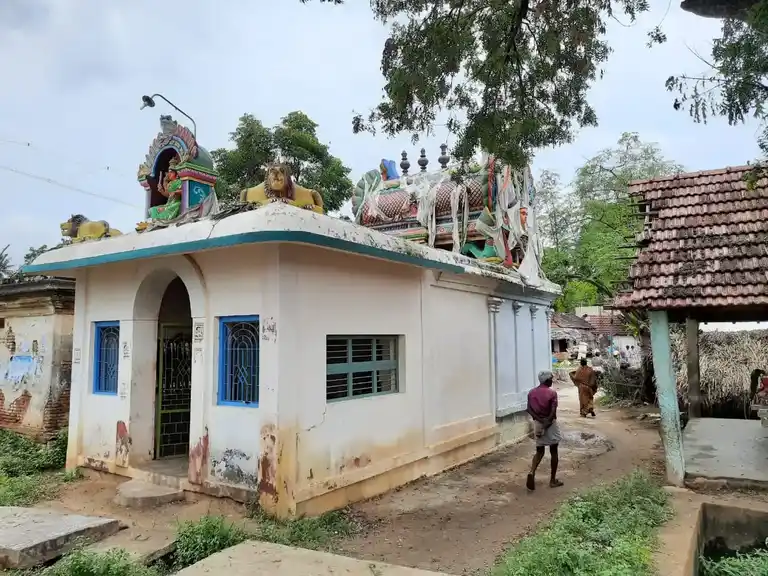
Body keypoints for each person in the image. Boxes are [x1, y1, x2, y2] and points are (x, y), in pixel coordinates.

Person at [526, 370, 563, 491]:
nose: (552, 381)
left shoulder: (531, 393)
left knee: (539, 451)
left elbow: (529, 410)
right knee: (554, 451)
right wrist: (547, 423)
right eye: (551, 379)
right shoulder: (552, 393)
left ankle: (532, 472)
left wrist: (540, 421)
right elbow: (553, 411)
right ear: (547, 380)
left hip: (537, 423)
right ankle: (552, 480)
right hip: (550, 424)